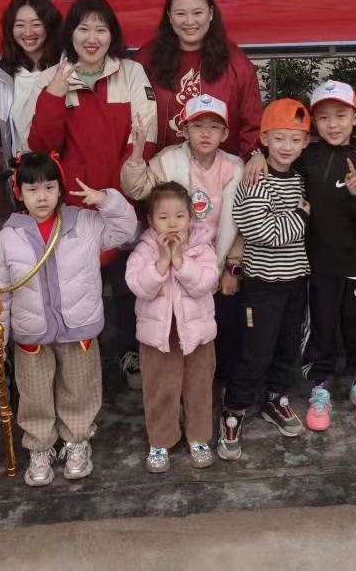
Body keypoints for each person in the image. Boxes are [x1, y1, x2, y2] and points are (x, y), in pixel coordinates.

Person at [22, 0, 156, 391]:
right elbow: (40, 146)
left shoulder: (130, 72)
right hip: (72, 211)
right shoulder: (54, 77)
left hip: (120, 205)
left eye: (101, 29)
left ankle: (130, 351)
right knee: (78, 289)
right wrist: (54, 94)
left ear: (112, 35)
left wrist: (118, 193)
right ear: (71, 34)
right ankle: (81, 360)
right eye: (83, 28)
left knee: (127, 286)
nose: (92, 37)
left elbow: (143, 137)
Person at [0, 152, 137, 487]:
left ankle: (76, 441)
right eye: (32, 189)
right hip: (31, 334)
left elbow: (126, 229)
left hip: (78, 328)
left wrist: (106, 200)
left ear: (60, 189)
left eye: (49, 187)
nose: (42, 196)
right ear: (18, 192)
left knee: (79, 390)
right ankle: (40, 447)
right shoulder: (7, 239)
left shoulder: (84, 223)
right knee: (34, 395)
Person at [119, 94, 245, 385]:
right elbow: (136, 189)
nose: (205, 134)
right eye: (197, 126)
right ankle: (176, 393)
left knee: (217, 334)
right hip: (175, 266)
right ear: (185, 130)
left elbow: (240, 223)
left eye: (213, 127)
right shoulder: (170, 160)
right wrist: (136, 155)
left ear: (225, 133)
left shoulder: (234, 167)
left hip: (214, 264)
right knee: (179, 336)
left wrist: (232, 267)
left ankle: (213, 393)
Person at [218, 99, 312, 461]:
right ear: (265, 138)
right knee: (255, 350)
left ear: (305, 143)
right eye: (279, 138)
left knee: (288, 346)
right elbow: (263, 231)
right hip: (263, 285)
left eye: (295, 139)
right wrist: (300, 218)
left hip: (295, 280)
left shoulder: (300, 179)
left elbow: (278, 227)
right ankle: (234, 408)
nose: (287, 147)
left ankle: (275, 398)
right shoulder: (255, 178)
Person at [293, 80, 356, 432]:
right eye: (324, 117)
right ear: (314, 122)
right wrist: (257, 155)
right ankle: (319, 387)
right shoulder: (307, 157)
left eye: (341, 115)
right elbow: (278, 161)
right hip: (318, 263)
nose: (332, 124)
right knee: (321, 326)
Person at [125, 183, 220, 473]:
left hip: (197, 336)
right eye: (163, 217)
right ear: (151, 220)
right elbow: (138, 285)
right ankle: (161, 440)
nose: (172, 223)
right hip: (159, 339)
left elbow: (206, 282)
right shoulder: (145, 248)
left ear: (191, 216)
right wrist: (162, 262)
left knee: (198, 387)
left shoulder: (201, 246)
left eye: (179, 216)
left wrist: (179, 261)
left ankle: (199, 437)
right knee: (160, 389)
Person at [137, 0, 264, 158]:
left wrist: (251, 156)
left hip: (221, 169)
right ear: (169, 16)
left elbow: (252, 123)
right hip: (160, 169)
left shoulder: (236, 62)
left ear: (210, 13)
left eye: (198, 12)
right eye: (180, 13)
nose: (190, 21)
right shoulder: (147, 59)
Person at [0, 0, 62, 162]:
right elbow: (6, 122)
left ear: (50, 26)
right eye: (20, 25)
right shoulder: (3, 71)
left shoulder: (65, 67)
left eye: (36, 24)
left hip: (60, 164)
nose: (28, 32)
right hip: (22, 165)